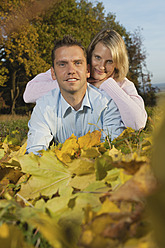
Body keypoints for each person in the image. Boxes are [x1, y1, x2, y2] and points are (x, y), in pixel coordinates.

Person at [23, 29, 147, 130]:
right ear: (90, 54)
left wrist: (108, 85)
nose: (101, 66)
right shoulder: (74, 70)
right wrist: (77, 82)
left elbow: (138, 124)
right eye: (97, 57)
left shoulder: (123, 85)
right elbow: (29, 94)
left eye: (109, 61)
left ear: (118, 63)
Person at [26, 35, 125, 155]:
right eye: (62, 64)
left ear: (88, 70)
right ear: (53, 73)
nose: (71, 70)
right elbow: (35, 153)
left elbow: (114, 149)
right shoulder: (43, 107)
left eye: (77, 63)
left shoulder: (107, 104)